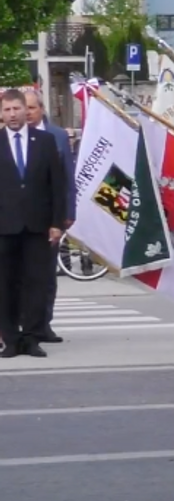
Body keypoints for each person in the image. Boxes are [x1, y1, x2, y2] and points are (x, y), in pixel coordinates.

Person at [0, 89, 66, 358]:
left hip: (38, 226)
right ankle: (11, 339)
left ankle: (31, 338)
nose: (13, 114)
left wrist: (56, 223)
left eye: (17, 109)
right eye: (7, 110)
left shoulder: (45, 141)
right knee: (5, 284)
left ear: (26, 112)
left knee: (36, 283)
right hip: (4, 226)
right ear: (2, 113)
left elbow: (57, 185)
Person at [24, 90, 74, 344]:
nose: (28, 112)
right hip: (21, 217)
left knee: (46, 275)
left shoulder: (57, 136)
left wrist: (68, 213)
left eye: (32, 108)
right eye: (25, 108)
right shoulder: (14, 137)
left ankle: (44, 324)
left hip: (50, 217)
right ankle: (25, 324)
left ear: (41, 109)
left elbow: (67, 177)